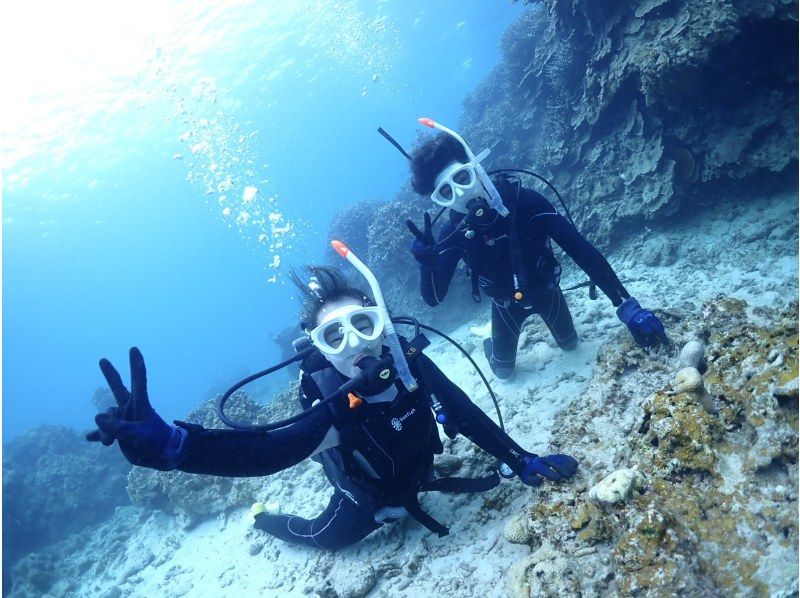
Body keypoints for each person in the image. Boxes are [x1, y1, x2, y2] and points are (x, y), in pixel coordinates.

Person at [87, 265, 578, 550]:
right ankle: (264, 519)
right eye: (334, 336)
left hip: (420, 469)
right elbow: (267, 455)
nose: (355, 344)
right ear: (319, 348)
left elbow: (465, 413)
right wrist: (178, 449)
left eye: (364, 324)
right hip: (366, 501)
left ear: (381, 323)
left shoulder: (409, 364)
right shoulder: (333, 404)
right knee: (321, 539)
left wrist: (520, 458)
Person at [404, 119, 668, 379]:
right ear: (440, 200)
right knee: (504, 372)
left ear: (476, 168)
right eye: (447, 192)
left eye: (462, 178)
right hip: (505, 306)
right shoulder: (452, 232)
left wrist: (626, 305)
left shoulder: (526, 201)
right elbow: (434, 298)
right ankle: (489, 342)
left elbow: (582, 251)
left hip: (548, 293)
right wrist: (426, 266)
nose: (461, 194)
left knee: (570, 344)